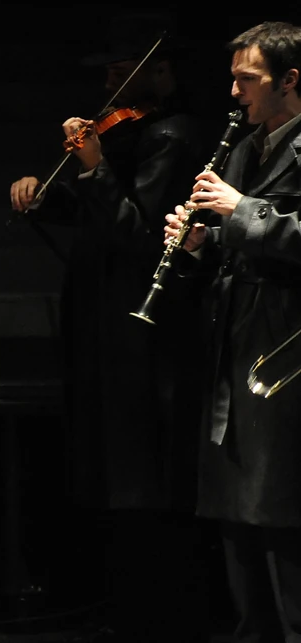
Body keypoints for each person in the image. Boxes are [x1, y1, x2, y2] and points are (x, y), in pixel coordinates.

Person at [8, 12, 215, 641]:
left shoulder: (174, 135)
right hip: (102, 314)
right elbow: (98, 215)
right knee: (105, 455)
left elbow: (139, 233)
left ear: (160, 71)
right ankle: (115, 601)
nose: (109, 88)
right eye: (107, 75)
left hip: (143, 325)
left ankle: (153, 611)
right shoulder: (134, 131)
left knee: (139, 461)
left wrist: (94, 167)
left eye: (122, 74)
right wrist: (47, 194)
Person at [163, 20, 301, 642]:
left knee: (281, 509)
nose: (235, 92)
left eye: (248, 79)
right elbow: (243, 244)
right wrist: (202, 241)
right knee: (239, 513)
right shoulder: (247, 146)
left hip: (287, 348)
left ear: (290, 80)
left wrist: (240, 209)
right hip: (238, 340)